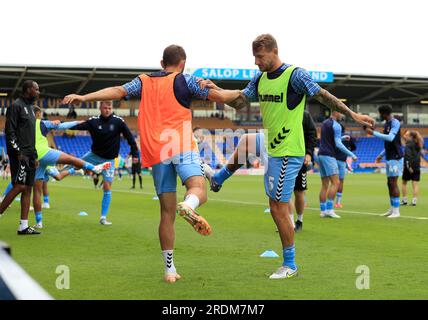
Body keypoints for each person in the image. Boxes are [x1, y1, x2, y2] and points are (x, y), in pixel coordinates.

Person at [62, 44, 241, 283]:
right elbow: (226, 98)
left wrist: (84, 97)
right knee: (198, 189)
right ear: (183, 63)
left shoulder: (144, 80)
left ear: (161, 63)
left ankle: (169, 270)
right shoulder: (187, 80)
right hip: (180, 143)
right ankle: (189, 205)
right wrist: (241, 91)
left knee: (166, 214)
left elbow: (117, 90)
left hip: (157, 151)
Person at [200, 34, 373, 279]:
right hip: (272, 144)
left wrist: (353, 116)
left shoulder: (295, 75)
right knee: (249, 140)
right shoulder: (260, 78)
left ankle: (290, 264)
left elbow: (323, 95)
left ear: (274, 51)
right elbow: (239, 100)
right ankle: (218, 179)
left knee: (277, 208)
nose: (256, 62)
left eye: (260, 57)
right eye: (254, 57)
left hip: (287, 152)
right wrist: (215, 90)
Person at [203, 110, 317, 233]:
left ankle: (297, 222)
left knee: (294, 194)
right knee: (246, 141)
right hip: (273, 142)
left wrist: (309, 153)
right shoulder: (272, 102)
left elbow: (312, 133)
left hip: (293, 152)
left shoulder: (302, 112)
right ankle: (218, 179)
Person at [31, 106, 111, 229]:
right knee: (71, 159)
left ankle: (39, 222)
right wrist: (79, 122)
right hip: (44, 153)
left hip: (33, 158)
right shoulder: (41, 123)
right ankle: (94, 168)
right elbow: (62, 126)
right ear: (37, 114)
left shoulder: (23, 126)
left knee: (37, 191)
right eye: (40, 113)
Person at [65, 101, 139, 225]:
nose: (107, 110)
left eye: (109, 108)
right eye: (105, 108)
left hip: (109, 160)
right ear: (100, 108)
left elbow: (130, 138)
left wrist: (135, 153)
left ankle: (103, 217)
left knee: (106, 186)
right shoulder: (93, 121)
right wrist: (58, 125)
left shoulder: (118, 121)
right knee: (76, 163)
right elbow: (77, 126)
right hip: (94, 155)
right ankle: (61, 172)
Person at [0, 80, 39, 235]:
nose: (38, 92)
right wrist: (18, 152)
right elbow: (10, 132)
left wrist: (34, 155)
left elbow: (30, 135)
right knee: (19, 185)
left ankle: (23, 226)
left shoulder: (30, 108)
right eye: (36, 89)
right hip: (20, 154)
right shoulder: (16, 106)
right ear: (28, 89)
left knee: (28, 187)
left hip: (30, 153)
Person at [366, 106, 403, 218]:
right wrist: (381, 155)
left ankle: (396, 211)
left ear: (384, 113)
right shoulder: (387, 124)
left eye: (380, 114)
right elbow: (389, 143)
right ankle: (392, 209)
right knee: (389, 183)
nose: (379, 116)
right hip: (389, 156)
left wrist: (373, 133)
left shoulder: (395, 123)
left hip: (395, 157)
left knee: (393, 182)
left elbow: (391, 138)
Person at [318, 112, 358, 219]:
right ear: (336, 112)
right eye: (340, 111)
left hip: (321, 154)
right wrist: (351, 154)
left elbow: (329, 139)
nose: (342, 114)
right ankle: (330, 210)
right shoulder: (337, 125)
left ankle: (323, 211)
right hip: (329, 155)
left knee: (325, 184)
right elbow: (338, 144)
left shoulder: (325, 122)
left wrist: (342, 137)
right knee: (336, 182)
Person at [334, 124, 357, 208]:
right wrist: (348, 148)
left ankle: (328, 202)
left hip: (333, 160)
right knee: (341, 181)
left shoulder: (335, 137)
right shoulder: (348, 137)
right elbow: (354, 147)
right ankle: (338, 203)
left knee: (331, 182)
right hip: (342, 161)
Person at [401, 130, 424, 206]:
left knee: (404, 183)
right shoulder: (419, 144)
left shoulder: (408, 145)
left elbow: (408, 156)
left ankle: (404, 201)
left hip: (409, 167)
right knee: (415, 184)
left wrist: (408, 167)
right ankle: (414, 202)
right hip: (417, 166)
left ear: (411, 137)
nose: (405, 136)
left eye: (407, 135)